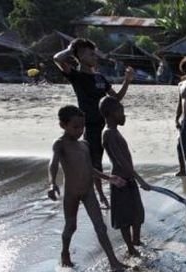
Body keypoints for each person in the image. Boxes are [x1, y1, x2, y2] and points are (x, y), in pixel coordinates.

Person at [53, 38, 134, 209]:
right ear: (81, 56)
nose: (95, 57)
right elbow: (57, 59)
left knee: (116, 157)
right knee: (95, 162)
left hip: (107, 125)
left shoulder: (99, 77)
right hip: (89, 125)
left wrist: (127, 81)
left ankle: (120, 186)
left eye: (94, 54)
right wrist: (71, 49)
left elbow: (116, 98)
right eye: (91, 54)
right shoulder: (76, 75)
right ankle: (101, 196)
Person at [47, 105, 126, 271]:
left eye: (82, 127)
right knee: (71, 226)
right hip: (71, 193)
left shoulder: (84, 144)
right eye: (75, 127)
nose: (80, 131)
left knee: (100, 227)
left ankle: (113, 262)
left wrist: (109, 178)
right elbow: (53, 163)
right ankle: (65, 252)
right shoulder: (60, 144)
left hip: (88, 191)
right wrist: (52, 183)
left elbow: (90, 169)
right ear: (63, 125)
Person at [99, 97, 152, 257]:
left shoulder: (115, 131)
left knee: (137, 214)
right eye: (121, 112)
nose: (124, 115)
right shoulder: (109, 133)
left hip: (129, 179)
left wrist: (134, 178)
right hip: (120, 181)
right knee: (124, 219)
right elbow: (121, 161)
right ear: (110, 114)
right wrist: (139, 178)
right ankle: (130, 248)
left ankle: (136, 240)